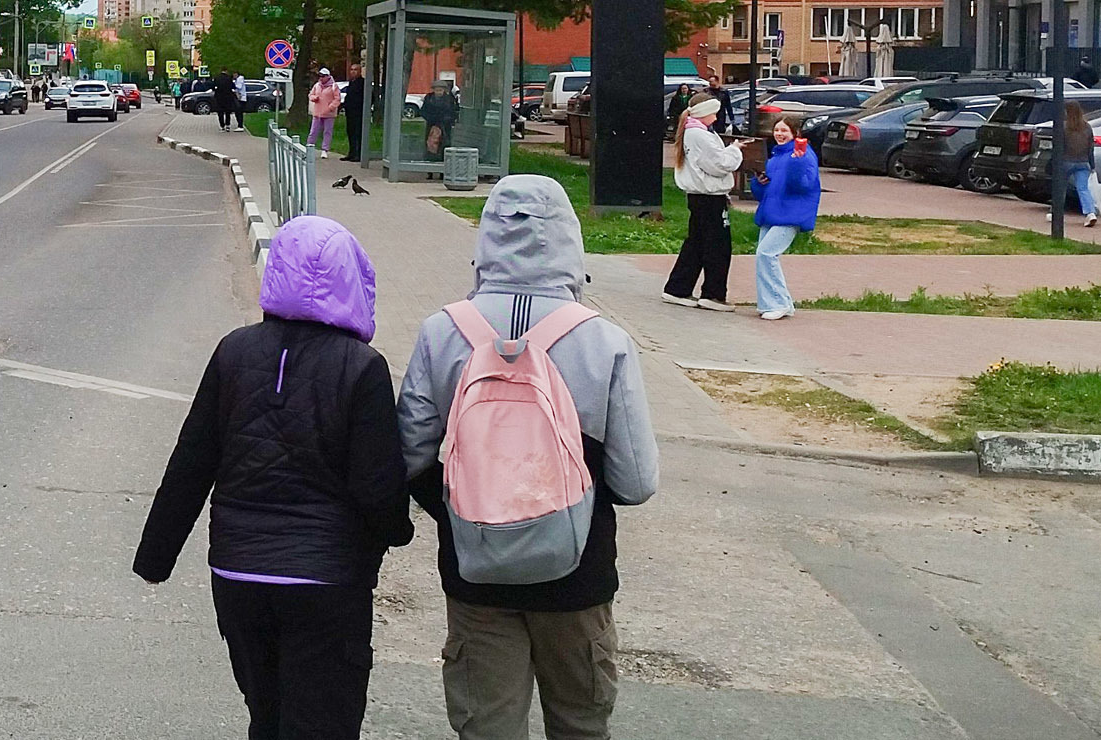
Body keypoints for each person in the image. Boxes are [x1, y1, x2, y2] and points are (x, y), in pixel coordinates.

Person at [399, 176, 658, 740]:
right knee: (580, 723)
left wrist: (464, 511)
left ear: (486, 237)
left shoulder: (443, 332)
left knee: (486, 727)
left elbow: (411, 455)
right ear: (570, 240)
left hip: (476, 569)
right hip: (577, 577)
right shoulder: (605, 341)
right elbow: (637, 482)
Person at [135, 215, 413, 740]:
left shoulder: (234, 351)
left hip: (239, 577)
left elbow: (192, 462)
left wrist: (156, 557)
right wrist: (394, 534)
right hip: (325, 583)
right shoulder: (361, 367)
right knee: (323, 723)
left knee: (268, 717)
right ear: (351, 278)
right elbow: (376, 486)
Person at [665, 96, 744, 310]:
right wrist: (735, 150)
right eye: (714, 112)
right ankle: (713, 293)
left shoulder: (693, 132)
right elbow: (719, 165)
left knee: (696, 243)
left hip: (699, 197)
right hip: (709, 197)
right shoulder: (700, 135)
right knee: (718, 246)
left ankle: (678, 287)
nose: (717, 116)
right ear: (703, 112)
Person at [751, 117, 818, 321]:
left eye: (784, 131)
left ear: (795, 133)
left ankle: (777, 303)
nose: (779, 134)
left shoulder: (804, 155)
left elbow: (804, 186)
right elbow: (765, 192)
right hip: (771, 213)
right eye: (777, 130)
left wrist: (797, 163)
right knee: (763, 256)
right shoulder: (775, 157)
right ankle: (780, 303)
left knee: (766, 254)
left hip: (791, 214)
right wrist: (759, 182)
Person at [1059, 99, 1100, 229]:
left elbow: (1059, 146)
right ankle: (1090, 213)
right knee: (1083, 188)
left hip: (1066, 161)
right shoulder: (1087, 127)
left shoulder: (1064, 127)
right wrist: (1092, 165)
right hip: (1083, 162)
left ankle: (1056, 212)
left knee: (1060, 187)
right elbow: (1090, 148)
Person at [420, 75, 460, 160]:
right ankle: (430, 160)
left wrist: (447, 119)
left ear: (444, 90)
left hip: (445, 126)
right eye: (437, 90)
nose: (439, 92)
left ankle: (443, 160)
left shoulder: (449, 99)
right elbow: (423, 111)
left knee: (444, 144)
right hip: (431, 124)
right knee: (431, 143)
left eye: (440, 90)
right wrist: (431, 118)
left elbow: (453, 112)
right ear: (433, 90)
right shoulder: (429, 98)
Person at [307, 68, 342, 153]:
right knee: (313, 131)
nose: (321, 78)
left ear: (328, 77)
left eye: (323, 76)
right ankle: (309, 146)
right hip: (318, 112)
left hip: (329, 114)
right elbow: (311, 94)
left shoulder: (334, 86)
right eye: (320, 76)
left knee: (327, 132)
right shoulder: (317, 85)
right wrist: (314, 98)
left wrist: (330, 107)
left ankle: (325, 149)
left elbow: (337, 99)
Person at [342, 65, 367, 163]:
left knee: (358, 133)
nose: (353, 72)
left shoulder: (362, 83)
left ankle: (359, 154)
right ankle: (351, 153)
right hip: (350, 112)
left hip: (358, 112)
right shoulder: (351, 83)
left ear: (360, 71)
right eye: (351, 70)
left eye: (355, 70)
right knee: (350, 132)